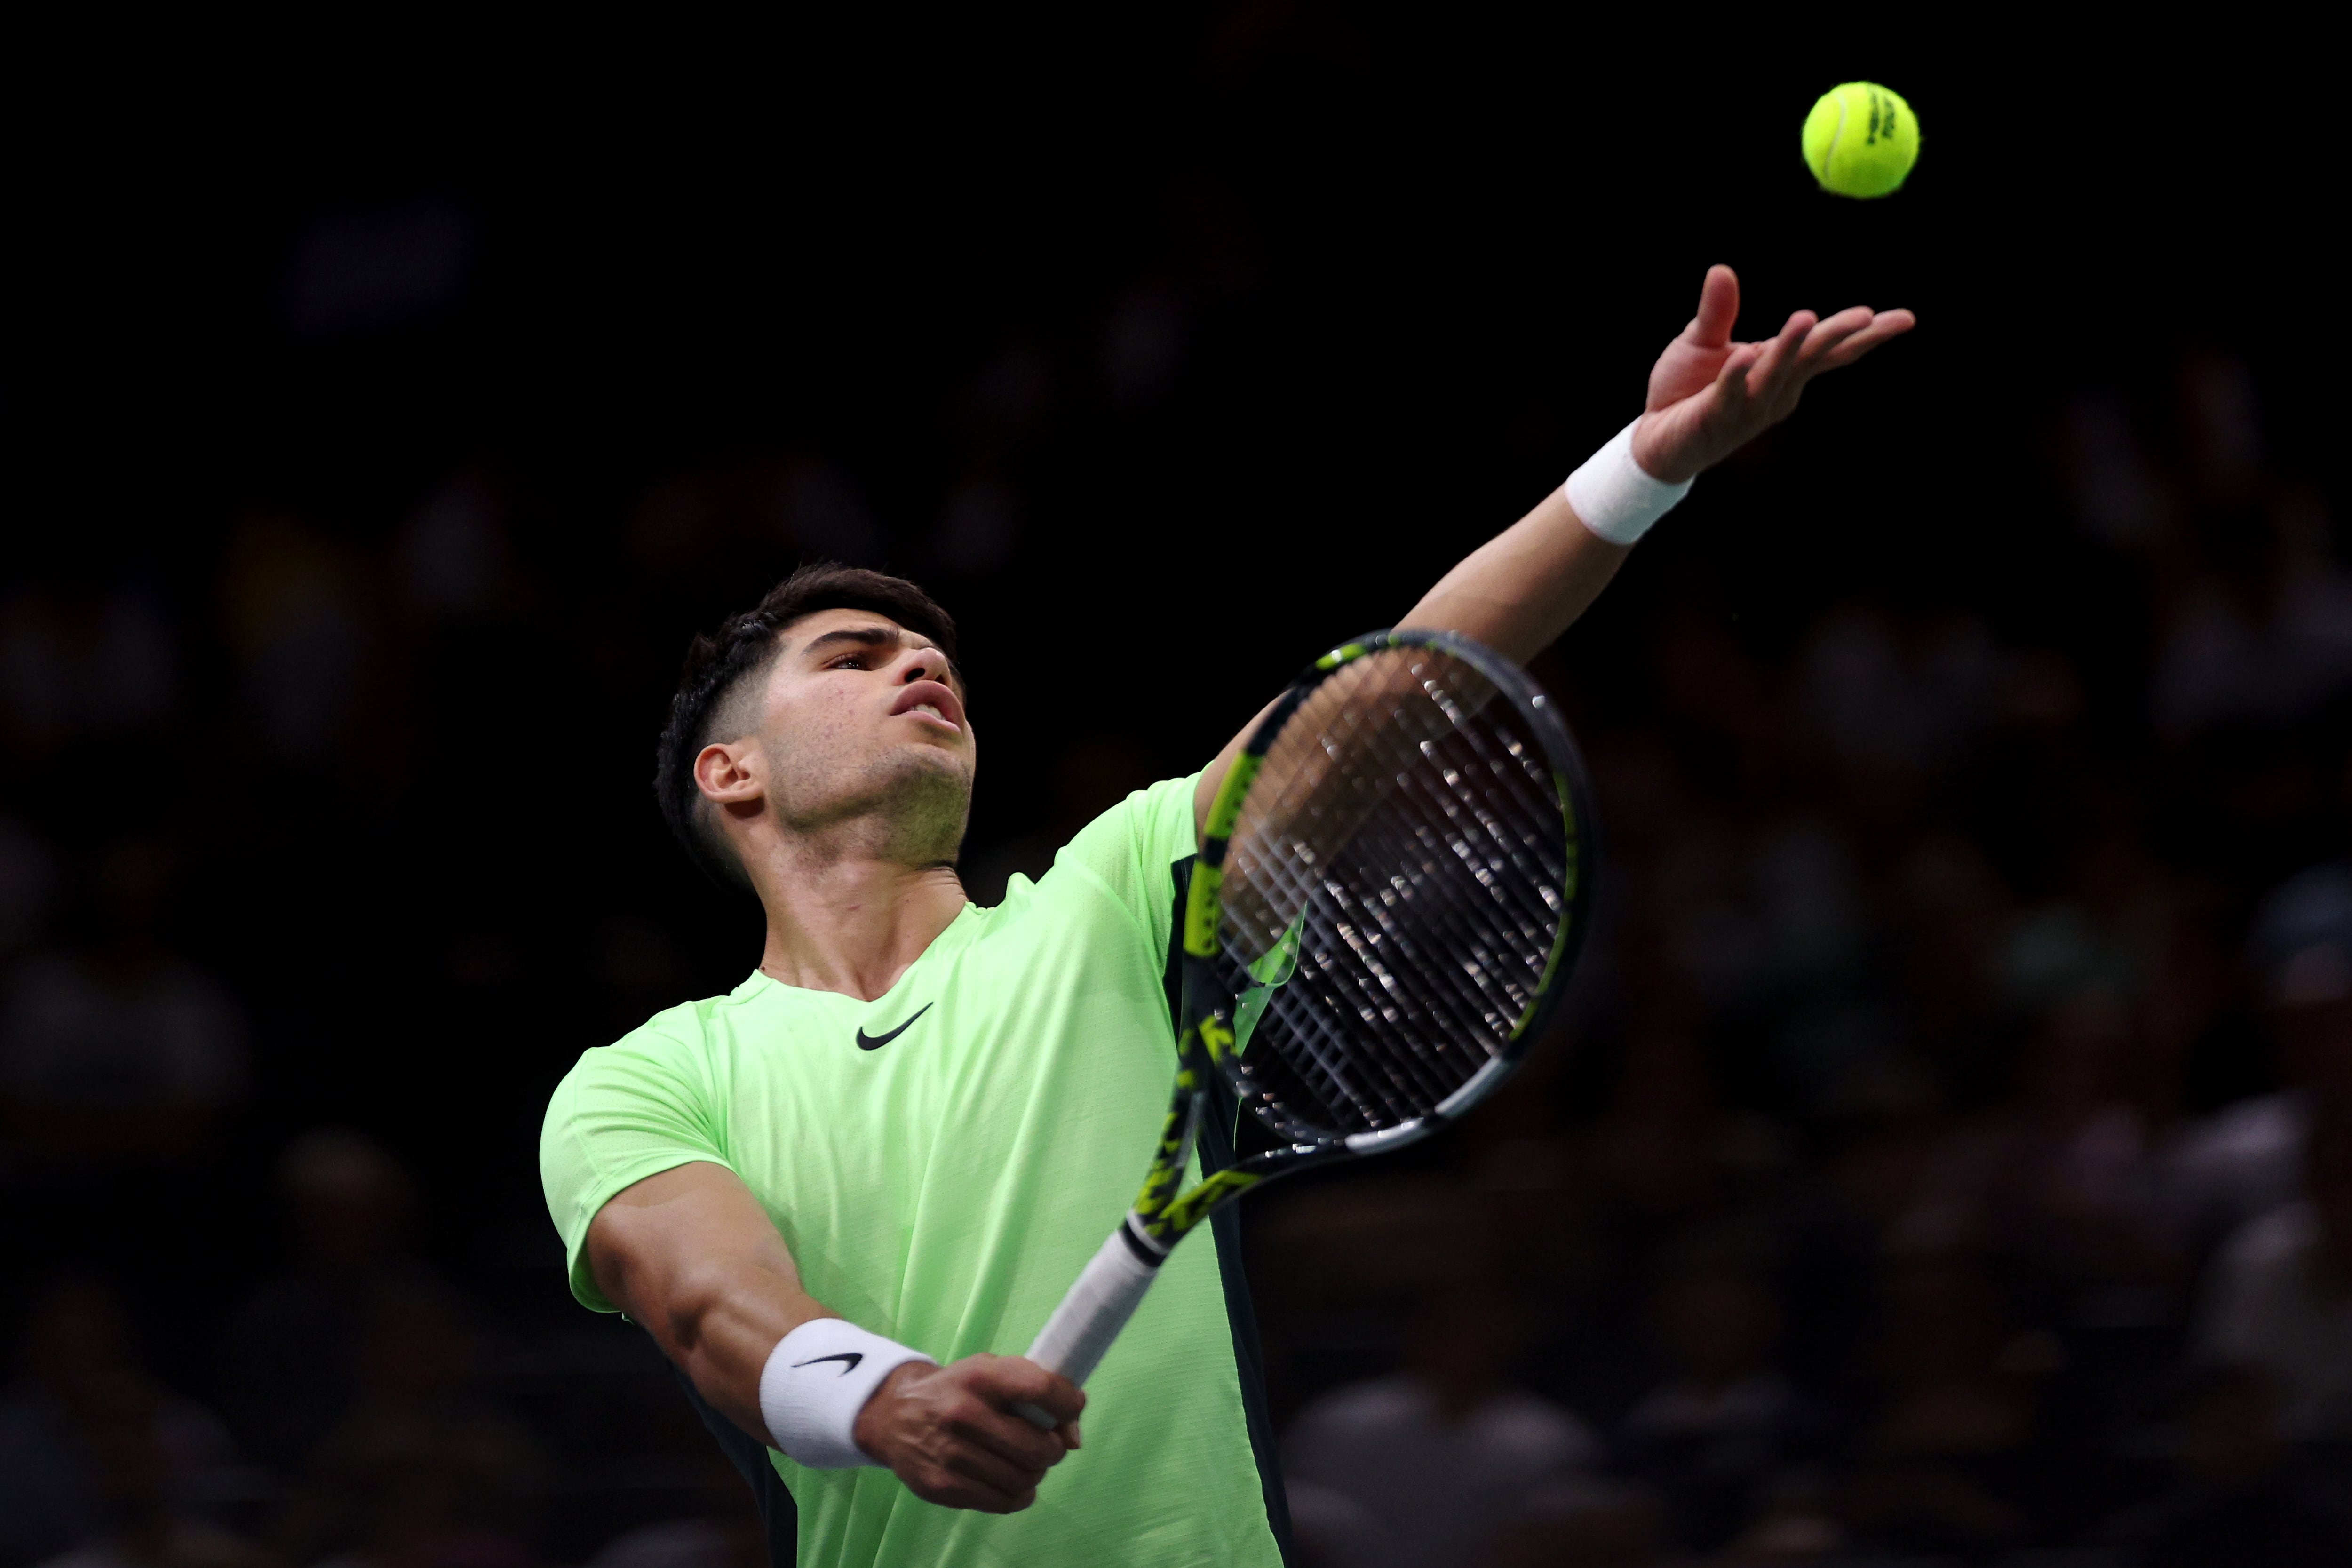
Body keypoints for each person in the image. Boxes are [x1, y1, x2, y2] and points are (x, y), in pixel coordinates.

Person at [538, 265, 1913, 1567]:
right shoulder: (653, 1081)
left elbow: (1391, 687)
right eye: (855, 655)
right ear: (734, 775)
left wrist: (1648, 463)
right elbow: (714, 1304)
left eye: (932, 655)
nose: (919, 664)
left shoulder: (1114, 899)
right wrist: (888, 1402)